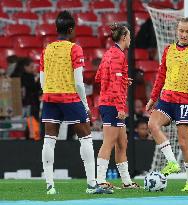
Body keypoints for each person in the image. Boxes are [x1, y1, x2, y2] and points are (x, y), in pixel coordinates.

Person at [40, 11, 112, 195]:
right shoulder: (75, 48)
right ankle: (91, 184)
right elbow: (79, 82)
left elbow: (42, 79)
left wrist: (49, 93)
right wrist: (86, 107)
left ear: (57, 29)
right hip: (70, 98)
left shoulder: (46, 49)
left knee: (49, 141)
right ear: (71, 29)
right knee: (86, 138)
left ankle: (49, 186)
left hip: (49, 98)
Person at [146, 17, 188, 192]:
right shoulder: (168, 50)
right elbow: (161, 75)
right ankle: (173, 163)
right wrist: (153, 98)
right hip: (167, 99)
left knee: (184, 143)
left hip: (185, 102)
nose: (184, 34)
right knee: (152, 124)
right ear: (177, 31)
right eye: (181, 30)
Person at [95, 23, 140, 189]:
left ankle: (127, 182)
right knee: (109, 142)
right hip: (112, 104)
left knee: (122, 143)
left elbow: (99, 76)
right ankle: (99, 180)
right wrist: (121, 107)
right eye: (129, 35)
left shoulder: (109, 53)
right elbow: (113, 82)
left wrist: (121, 80)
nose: (130, 38)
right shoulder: (118, 56)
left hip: (110, 102)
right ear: (123, 37)